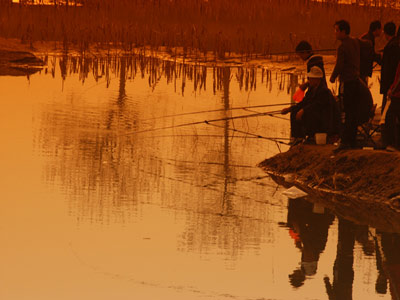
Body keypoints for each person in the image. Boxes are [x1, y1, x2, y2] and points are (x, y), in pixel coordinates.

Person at [281, 66, 339, 145]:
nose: (309, 81)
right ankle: (297, 137)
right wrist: (289, 109)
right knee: (294, 112)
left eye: (311, 78)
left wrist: (303, 110)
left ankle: (309, 136)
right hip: (314, 114)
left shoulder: (324, 91)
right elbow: (304, 102)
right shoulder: (311, 90)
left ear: (317, 79)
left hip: (323, 120)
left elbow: (316, 106)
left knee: (306, 113)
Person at [330, 20, 361, 151]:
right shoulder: (355, 41)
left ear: (343, 31)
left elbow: (339, 65)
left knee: (346, 111)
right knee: (353, 111)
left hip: (347, 81)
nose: (335, 33)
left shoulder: (342, 47)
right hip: (356, 80)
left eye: (337, 30)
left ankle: (346, 141)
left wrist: (332, 77)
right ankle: (352, 140)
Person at [380, 22, 400, 114]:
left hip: (390, 83)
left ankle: (384, 125)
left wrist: (390, 87)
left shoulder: (391, 46)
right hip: (394, 83)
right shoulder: (395, 44)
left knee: (387, 110)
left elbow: (389, 67)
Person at [382, 62, 400, 151]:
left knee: (390, 116)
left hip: (397, 95)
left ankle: (393, 143)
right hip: (396, 93)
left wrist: (393, 90)